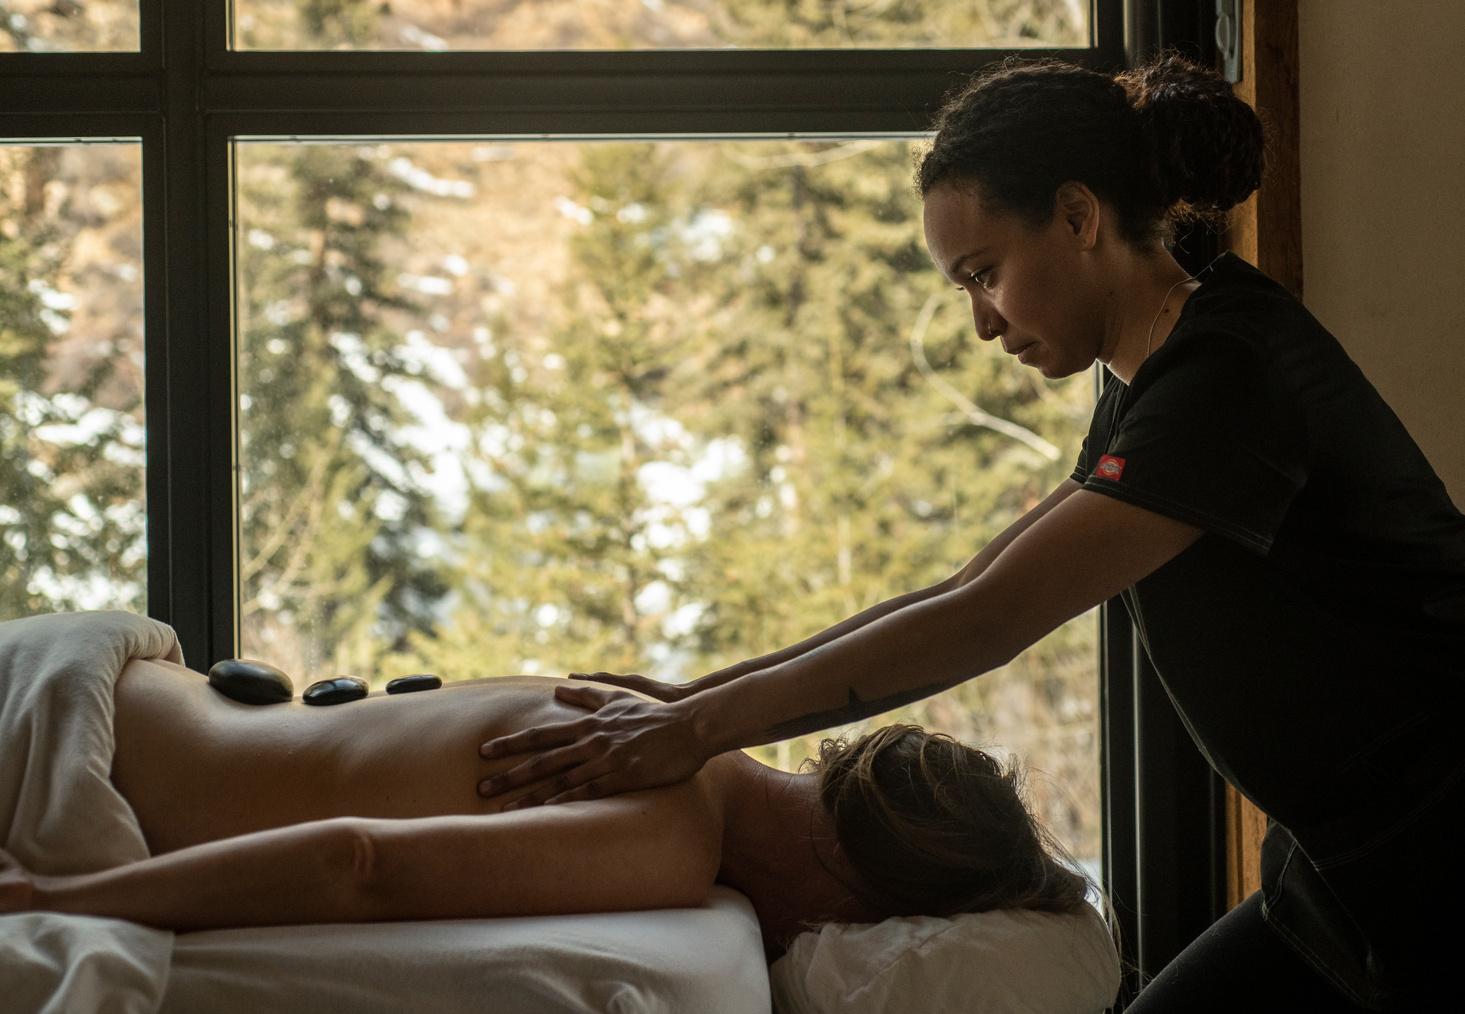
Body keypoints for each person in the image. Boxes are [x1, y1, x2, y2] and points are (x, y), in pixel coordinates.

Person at [470, 53, 1465, 1011]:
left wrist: (698, 732)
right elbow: (963, 587)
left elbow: (989, 619)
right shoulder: (1157, 376)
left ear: (1077, 217)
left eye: (985, 273)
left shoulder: (1228, 378)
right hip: (1347, 873)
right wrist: (696, 701)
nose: (984, 323)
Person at [0, 651, 1089, 962]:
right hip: (60, 753)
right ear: (849, 881)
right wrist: (62, 898)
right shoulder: (670, 835)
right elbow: (358, 863)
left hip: (105, 678)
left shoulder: (659, 725)